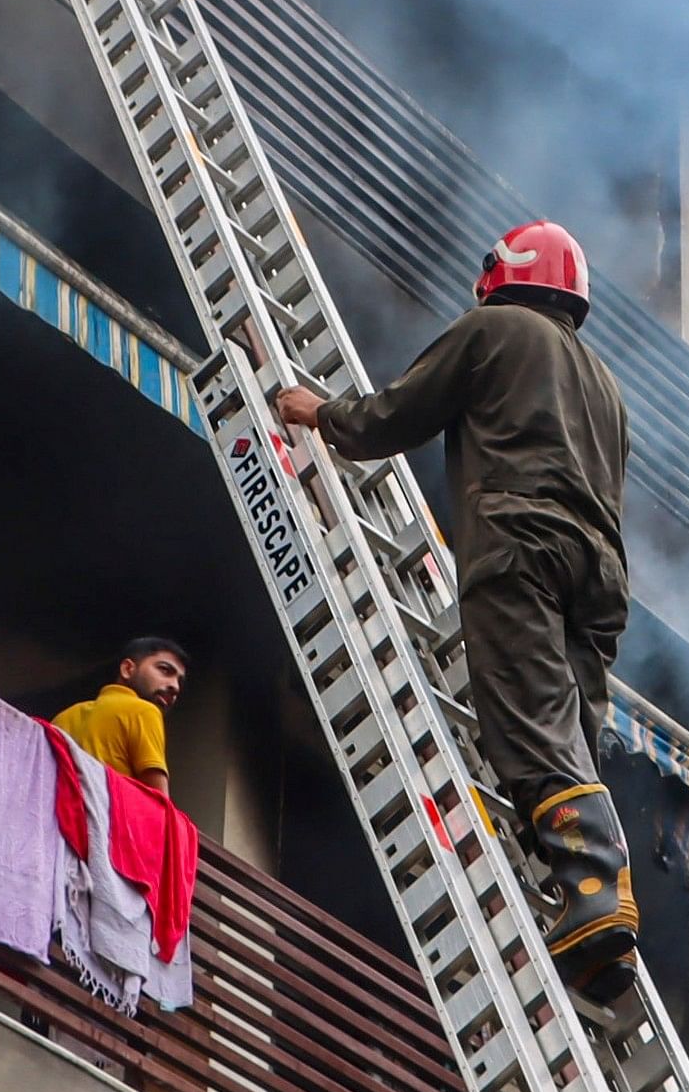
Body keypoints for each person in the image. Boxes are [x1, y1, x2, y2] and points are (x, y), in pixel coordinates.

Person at [273, 221, 637, 993]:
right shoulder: (604, 384)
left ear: (500, 274)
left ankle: (596, 891)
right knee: (574, 729)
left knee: (530, 719)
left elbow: (399, 412)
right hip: (599, 572)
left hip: (520, 544)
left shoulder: (494, 328)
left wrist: (321, 414)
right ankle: (593, 907)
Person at [55, 635, 187, 794]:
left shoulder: (63, 718)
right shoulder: (144, 711)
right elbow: (159, 805)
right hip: (111, 817)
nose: (175, 687)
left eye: (179, 680)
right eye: (165, 670)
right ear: (128, 669)